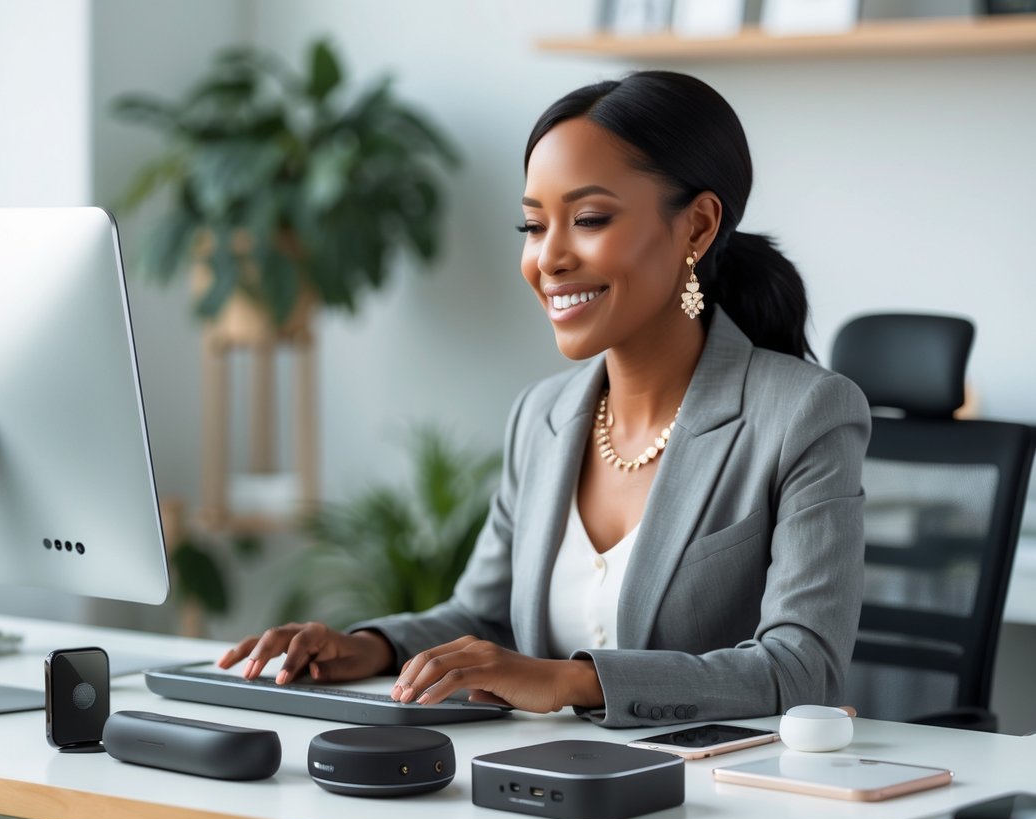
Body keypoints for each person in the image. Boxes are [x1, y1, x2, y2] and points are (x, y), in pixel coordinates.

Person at [218, 70, 870, 728]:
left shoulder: (803, 414)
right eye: (532, 225)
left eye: (588, 219)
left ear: (696, 227)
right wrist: (368, 647)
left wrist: (570, 681)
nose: (547, 259)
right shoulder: (542, 416)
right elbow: (481, 615)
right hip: (542, 782)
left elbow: (800, 664)